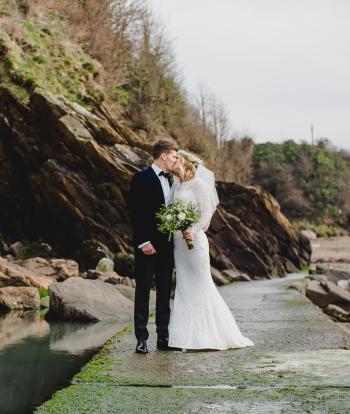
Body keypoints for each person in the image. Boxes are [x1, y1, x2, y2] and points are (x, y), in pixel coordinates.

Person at [168, 150, 254, 350]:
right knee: (184, 286)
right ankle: (183, 338)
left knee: (201, 284)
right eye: (173, 159)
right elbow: (172, 212)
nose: (174, 161)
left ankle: (210, 336)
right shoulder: (177, 185)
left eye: (177, 158)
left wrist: (194, 230)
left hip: (194, 241)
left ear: (187, 162)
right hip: (179, 243)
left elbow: (207, 212)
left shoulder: (199, 184)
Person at [129, 140, 177, 354]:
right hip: (147, 246)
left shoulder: (172, 180)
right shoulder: (142, 178)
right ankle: (141, 338)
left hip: (167, 246)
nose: (175, 160)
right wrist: (143, 241)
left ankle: (163, 337)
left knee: (165, 292)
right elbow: (135, 211)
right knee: (143, 292)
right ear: (163, 156)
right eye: (173, 156)